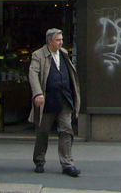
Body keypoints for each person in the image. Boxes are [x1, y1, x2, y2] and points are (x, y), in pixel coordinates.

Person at [28, 28, 81, 177]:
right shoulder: (38, 55)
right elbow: (33, 74)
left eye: (61, 39)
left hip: (64, 99)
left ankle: (67, 164)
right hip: (48, 101)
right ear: (50, 41)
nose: (61, 42)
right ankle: (39, 160)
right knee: (43, 132)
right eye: (58, 40)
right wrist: (38, 93)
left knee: (66, 131)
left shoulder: (63, 53)